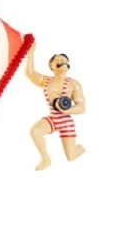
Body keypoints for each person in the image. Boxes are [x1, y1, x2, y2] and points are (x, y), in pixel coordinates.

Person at [25, 42, 86, 170]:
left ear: (68, 64)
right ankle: (45, 159)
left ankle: (81, 148)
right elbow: (29, 73)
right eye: (57, 60)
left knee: (71, 157)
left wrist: (67, 109)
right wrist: (30, 52)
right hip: (53, 119)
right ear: (51, 66)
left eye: (64, 60)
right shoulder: (45, 80)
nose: (61, 61)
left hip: (66, 121)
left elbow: (82, 107)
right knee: (35, 131)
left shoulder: (74, 84)